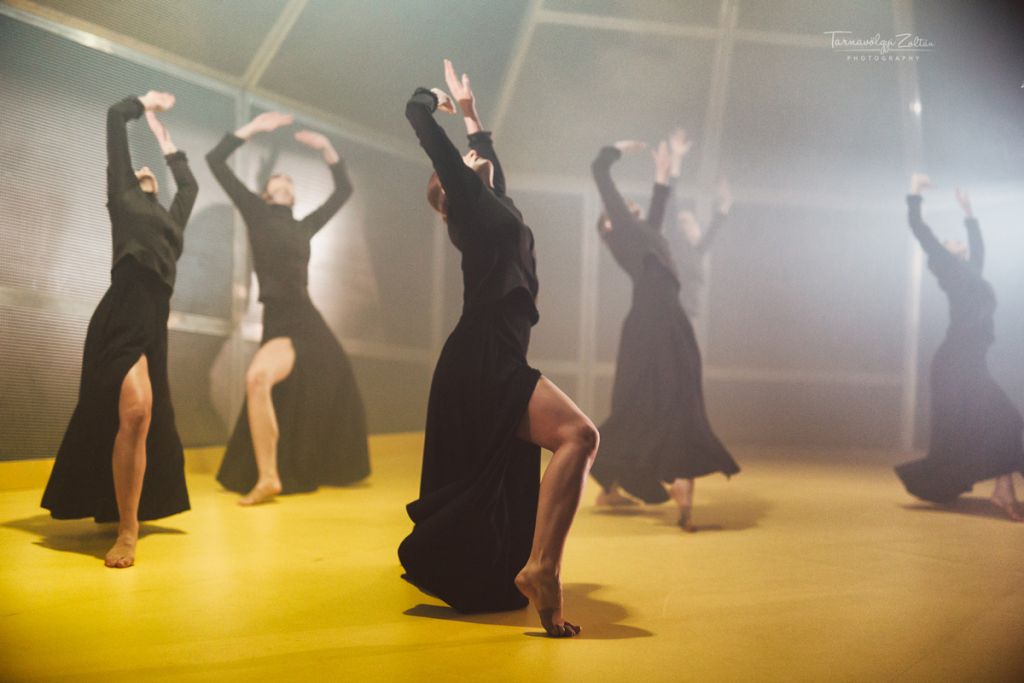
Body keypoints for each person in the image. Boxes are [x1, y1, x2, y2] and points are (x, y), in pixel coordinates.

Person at [398, 60, 598, 637]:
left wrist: (472, 117)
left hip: (495, 355)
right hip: (480, 356)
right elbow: (415, 115)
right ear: (450, 192)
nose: (473, 158)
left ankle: (538, 567)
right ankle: (542, 569)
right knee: (579, 435)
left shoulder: (496, 207)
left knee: (575, 439)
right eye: (463, 163)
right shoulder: (469, 207)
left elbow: (492, 170)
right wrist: (434, 100)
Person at [41, 91, 198, 568]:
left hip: (155, 322)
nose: (145, 170)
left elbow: (189, 187)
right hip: (124, 311)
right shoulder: (124, 197)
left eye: (153, 170)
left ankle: (126, 515)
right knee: (135, 410)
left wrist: (167, 143)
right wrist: (143, 104)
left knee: (144, 419)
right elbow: (113, 117)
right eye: (138, 169)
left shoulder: (171, 221)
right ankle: (128, 531)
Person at [206, 112, 369, 506]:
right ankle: (269, 477)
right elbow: (216, 161)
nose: (284, 181)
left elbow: (343, 190)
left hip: (307, 321)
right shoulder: (255, 212)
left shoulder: (304, 226)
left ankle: (276, 476)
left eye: (289, 182)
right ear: (266, 193)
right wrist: (253, 129)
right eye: (277, 179)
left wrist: (327, 148)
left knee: (318, 379)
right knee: (259, 380)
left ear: (293, 197)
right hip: (280, 320)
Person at [589, 136, 739, 531]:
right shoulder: (622, 232)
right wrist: (616, 149)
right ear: (610, 226)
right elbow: (599, 172)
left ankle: (665, 479)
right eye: (622, 209)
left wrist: (663, 173)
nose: (629, 208)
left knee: (678, 399)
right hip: (648, 325)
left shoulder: (646, 234)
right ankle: (616, 478)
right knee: (637, 405)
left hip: (671, 322)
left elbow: (658, 209)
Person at [895, 173, 1023, 520]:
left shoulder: (971, 273)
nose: (952, 240)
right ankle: (1002, 490)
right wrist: (914, 191)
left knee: (1004, 422)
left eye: (954, 239)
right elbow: (919, 229)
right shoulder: (950, 271)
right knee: (1003, 421)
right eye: (948, 241)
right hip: (955, 365)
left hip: (971, 364)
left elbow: (979, 248)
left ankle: (1003, 489)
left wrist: (969, 214)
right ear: (943, 257)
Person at [665, 129, 731, 319]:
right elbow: (670, 202)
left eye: (693, 222)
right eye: (687, 222)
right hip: (671, 314)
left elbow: (714, 228)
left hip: (688, 316)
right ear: (680, 229)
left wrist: (726, 203)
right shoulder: (676, 244)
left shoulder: (698, 251)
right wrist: (676, 158)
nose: (693, 226)